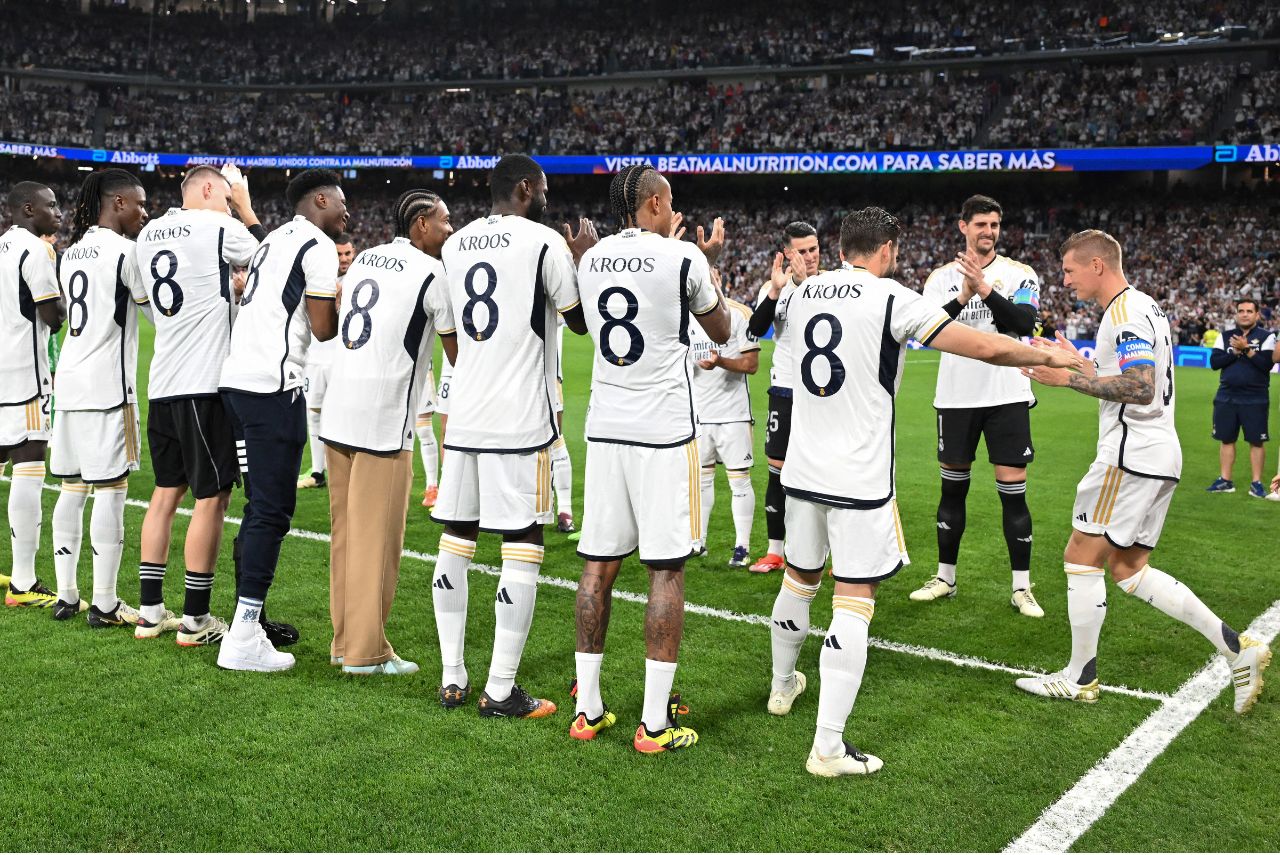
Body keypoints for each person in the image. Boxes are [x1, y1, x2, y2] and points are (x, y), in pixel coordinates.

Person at [767, 207, 1081, 778]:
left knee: (799, 578)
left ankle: (782, 687)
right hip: (857, 475)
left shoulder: (803, 293)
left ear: (840, 248)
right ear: (887, 248)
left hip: (802, 469)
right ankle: (829, 748)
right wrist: (1046, 353)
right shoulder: (892, 297)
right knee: (853, 599)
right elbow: (984, 347)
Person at [1016, 230, 1269, 714]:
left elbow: (1139, 386)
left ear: (1096, 265)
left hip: (1128, 456)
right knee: (1129, 570)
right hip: (1159, 455)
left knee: (1080, 556)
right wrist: (1086, 365)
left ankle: (1079, 678)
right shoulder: (1145, 305)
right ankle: (1237, 649)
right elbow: (1134, 375)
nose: (1064, 280)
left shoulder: (1125, 311)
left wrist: (1068, 378)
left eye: (1069, 270)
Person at [571, 165, 730, 752]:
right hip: (663, 430)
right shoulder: (681, 257)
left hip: (606, 427)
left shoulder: (591, 256)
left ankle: (587, 710)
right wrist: (703, 260)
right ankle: (654, 723)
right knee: (666, 569)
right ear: (658, 202)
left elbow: (585, 324)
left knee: (597, 568)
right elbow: (721, 325)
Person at [430, 154, 595, 717]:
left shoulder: (455, 246)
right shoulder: (544, 242)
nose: (547, 196)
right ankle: (500, 689)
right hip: (520, 418)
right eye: (544, 188)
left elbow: (451, 334)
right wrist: (581, 261)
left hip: (467, 413)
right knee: (522, 545)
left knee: (457, 536)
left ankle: (452, 677)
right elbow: (577, 322)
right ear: (525, 188)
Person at [321, 190, 457, 675]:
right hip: (382, 417)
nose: (449, 230)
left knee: (346, 535)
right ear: (421, 224)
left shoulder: (364, 260)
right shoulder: (431, 273)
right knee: (377, 541)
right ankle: (366, 654)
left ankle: (344, 642)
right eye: (444, 221)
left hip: (338, 411)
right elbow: (456, 351)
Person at [217, 167, 344, 672]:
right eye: (340, 202)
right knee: (271, 511)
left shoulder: (272, 241)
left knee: (256, 509)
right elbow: (323, 328)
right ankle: (244, 635)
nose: (348, 212)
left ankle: (249, 620)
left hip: (237, 384)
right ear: (318, 200)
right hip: (273, 388)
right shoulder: (315, 247)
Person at [133, 164, 265, 645]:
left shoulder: (147, 234)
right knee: (212, 496)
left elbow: (146, 300)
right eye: (226, 196)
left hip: (162, 380)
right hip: (203, 382)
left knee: (166, 492)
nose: (230, 204)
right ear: (209, 189)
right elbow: (265, 257)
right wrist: (246, 208)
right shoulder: (219, 225)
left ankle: (149, 612)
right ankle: (195, 619)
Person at [911, 195, 1044, 617]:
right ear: (963, 226)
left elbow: (1023, 324)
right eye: (981, 224)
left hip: (1007, 396)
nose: (989, 231)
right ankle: (945, 577)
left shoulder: (1020, 274)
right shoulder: (939, 278)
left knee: (1013, 494)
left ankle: (1021, 587)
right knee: (953, 490)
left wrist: (983, 290)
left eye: (994, 224)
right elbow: (926, 332)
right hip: (955, 399)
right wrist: (962, 294)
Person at [48, 169, 151, 626]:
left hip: (68, 383)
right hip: (110, 389)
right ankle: (105, 604)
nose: (145, 213)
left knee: (71, 488)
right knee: (111, 491)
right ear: (118, 204)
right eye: (140, 204)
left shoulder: (69, 254)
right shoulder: (127, 252)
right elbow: (155, 312)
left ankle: (67, 595)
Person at [0, 181, 65, 607]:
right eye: (51, 205)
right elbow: (52, 316)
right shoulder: (35, 251)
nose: (58, 213)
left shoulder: (1, 244)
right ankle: (23, 582)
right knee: (29, 460)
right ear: (28, 209)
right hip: (23, 372)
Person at [747, 222, 820, 573]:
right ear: (787, 254)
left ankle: (828, 551)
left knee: (824, 470)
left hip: (822, 393)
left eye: (814, 248)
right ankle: (776, 549)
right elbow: (756, 329)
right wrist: (776, 292)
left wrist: (805, 284)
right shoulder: (772, 287)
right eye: (801, 251)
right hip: (785, 389)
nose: (810, 256)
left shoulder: (830, 286)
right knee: (777, 469)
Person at [690, 275, 759, 567]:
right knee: (702, 481)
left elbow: (751, 365)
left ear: (719, 280)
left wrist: (720, 361)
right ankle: (698, 541)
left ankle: (742, 547)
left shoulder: (741, 314)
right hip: (699, 415)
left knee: (739, 483)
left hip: (733, 414)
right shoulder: (687, 317)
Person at [298, 233, 355, 490]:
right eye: (339, 254)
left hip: (340, 359)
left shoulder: (358, 281)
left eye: (347, 254)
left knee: (344, 415)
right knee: (314, 414)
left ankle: (349, 470)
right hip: (315, 358)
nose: (343, 259)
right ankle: (318, 472)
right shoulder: (317, 278)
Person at [1206, 298, 1274, 499]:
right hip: (1226, 396)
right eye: (1241, 311)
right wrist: (1235, 352)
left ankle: (1256, 483)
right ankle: (1225, 481)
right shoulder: (1225, 336)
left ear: (1257, 315)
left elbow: (1266, 365)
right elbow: (1215, 363)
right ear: (1236, 314)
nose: (1244, 314)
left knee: (1257, 441)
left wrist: (1247, 349)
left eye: (1249, 311)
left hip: (1255, 397)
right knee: (1226, 439)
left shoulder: (1266, 337)